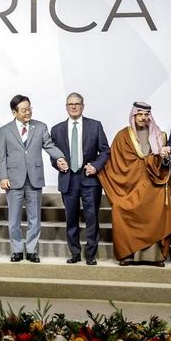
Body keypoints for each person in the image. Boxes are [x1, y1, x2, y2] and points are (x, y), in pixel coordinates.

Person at [98, 102, 171, 266]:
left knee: (158, 212)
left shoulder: (159, 136)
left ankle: (155, 257)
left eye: (146, 115)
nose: (143, 118)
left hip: (153, 188)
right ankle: (128, 255)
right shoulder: (123, 136)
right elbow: (115, 163)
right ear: (133, 116)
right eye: (140, 115)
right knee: (121, 208)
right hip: (130, 187)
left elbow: (164, 167)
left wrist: (164, 159)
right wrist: (97, 169)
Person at [0, 94, 67, 263]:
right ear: (14, 112)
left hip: (34, 178)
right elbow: (1, 157)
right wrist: (3, 177)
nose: (28, 112)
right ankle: (16, 250)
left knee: (34, 217)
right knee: (14, 218)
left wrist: (60, 158)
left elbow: (49, 145)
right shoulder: (5, 130)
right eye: (23, 110)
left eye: (29, 108)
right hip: (13, 180)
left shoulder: (40, 127)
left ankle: (31, 250)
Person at [49, 93, 110, 265]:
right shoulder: (57, 129)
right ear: (66, 106)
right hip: (68, 180)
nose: (74, 107)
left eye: (77, 104)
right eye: (70, 104)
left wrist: (96, 166)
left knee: (92, 219)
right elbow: (54, 155)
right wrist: (57, 163)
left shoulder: (95, 126)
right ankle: (75, 253)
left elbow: (105, 151)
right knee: (71, 218)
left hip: (90, 179)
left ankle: (91, 254)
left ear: (83, 106)